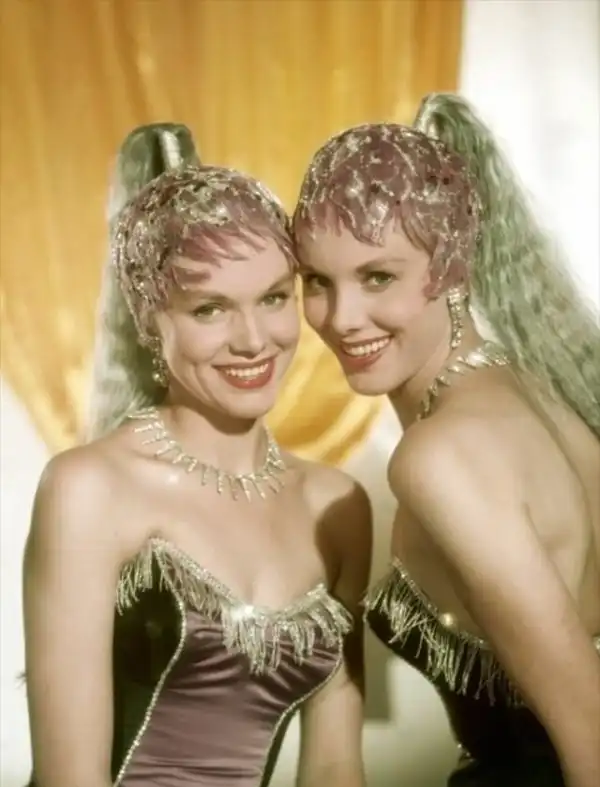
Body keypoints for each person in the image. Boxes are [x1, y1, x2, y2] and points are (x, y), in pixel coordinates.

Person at [23, 123, 372, 787]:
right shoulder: (89, 488)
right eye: (211, 309)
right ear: (151, 321)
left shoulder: (339, 506)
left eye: (274, 297)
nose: (254, 340)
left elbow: (334, 763)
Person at [292, 93, 600, 787]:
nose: (342, 318)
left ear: (454, 266)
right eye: (317, 281)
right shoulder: (541, 389)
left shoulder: (440, 456)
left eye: (378, 276)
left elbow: (592, 739)